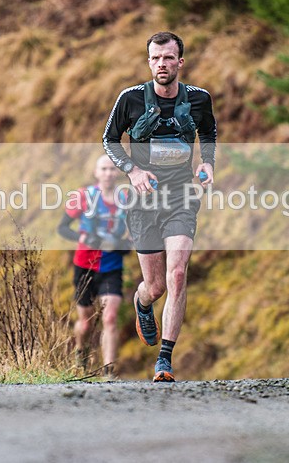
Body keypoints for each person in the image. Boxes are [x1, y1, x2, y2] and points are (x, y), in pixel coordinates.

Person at [102, 31, 216, 382]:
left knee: (178, 273)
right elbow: (109, 140)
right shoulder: (131, 99)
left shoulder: (198, 99)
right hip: (143, 201)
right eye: (155, 58)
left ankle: (164, 360)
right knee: (155, 286)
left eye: (168, 58)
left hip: (181, 196)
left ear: (180, 61)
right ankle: (142, 303)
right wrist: (132, 170)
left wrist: (207, 163)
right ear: (149, 60)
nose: (161, 64)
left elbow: (208, 132)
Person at [57, 154, 131, 378]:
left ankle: (109, 371)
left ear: (117, 172)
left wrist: (124, 245)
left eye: (112, 169)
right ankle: (81, 355)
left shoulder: (127, 198)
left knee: (109, 318)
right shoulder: (83, 196)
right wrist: (85, 238)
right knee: (86, 322)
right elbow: (63, 228)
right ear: (96, 173)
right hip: (84, 265)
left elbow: (138, 230)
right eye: (104, 169)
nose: (108, 173)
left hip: (112, 266)